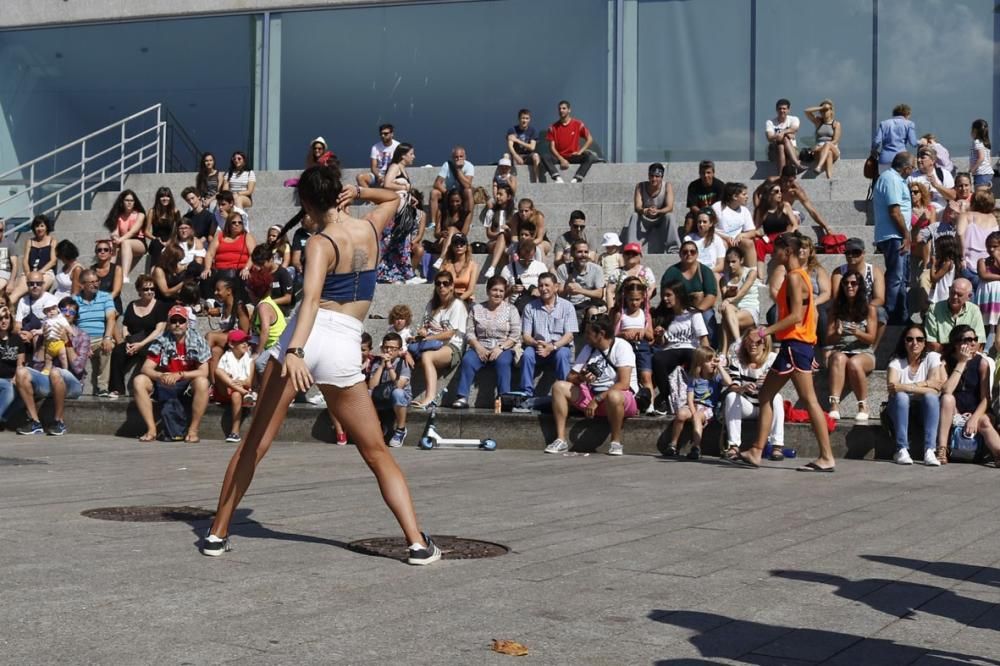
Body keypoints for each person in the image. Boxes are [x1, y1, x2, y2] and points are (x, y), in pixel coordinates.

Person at [205, 168, 440, 563]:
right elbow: (397, 197)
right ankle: (417, 542)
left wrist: (294, 352)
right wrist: (362, 190)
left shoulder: (318, 242)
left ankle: (216, 534)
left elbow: (311, 299)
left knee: (254, 445)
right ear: (340, 194)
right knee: (377, 452)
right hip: (345, 342)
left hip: (307, 337)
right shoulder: (369, 226)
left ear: (309, 204)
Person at [732, 232, 835, 472]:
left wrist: (765, 331)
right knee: (766, 395)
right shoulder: (800, 276)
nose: (771, 254)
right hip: (798, 345)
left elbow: (796, 316)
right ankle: (757, 450)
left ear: (787, 252)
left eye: (776, 250)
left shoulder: (794, 278)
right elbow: (811, 315)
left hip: (795, 345)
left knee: (810, 401)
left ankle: (827, 456)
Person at [544, 315, 638, 456]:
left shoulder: (622, 346)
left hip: (618, 399)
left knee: (613, 395)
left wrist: (598, 399)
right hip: (593, 396)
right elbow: (570, 377)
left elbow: (624, 383)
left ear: (601, 334)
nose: (585, 336)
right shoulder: (589, 348)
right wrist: (581, 377)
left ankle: (616, 442)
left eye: (589, 333)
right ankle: (561, 439)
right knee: (559, 387)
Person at [133, 305, 211, 443]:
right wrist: (160, 376)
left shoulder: (198, 340)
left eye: (181, 321)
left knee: (203, 382)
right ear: (168, 323)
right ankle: (151, 430)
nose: (177, 324)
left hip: (186, 383)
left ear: (187, 323)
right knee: (139, 380)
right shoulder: (161, 339)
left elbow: (204, 372)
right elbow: (146, 368)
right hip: (165, 382)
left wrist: (180, 375)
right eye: (173, 321)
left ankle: (193, 431)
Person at [13, 296, 87, 436]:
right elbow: (37, 364)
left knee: (55, 372)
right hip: (49, 379)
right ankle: (35, 421)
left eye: (71, 312)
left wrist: (67, 341)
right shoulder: (47, 328)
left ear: (75, 316)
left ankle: (59, 422)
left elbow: (78, 368)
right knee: (21, 371)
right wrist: (44, 341)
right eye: (63, 310)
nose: (67, 314)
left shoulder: (82, 336)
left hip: (72, 384)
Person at [449, 276, 520, 408]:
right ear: (488, 291)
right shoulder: (476, 309)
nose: (498, 294)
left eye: (501, 291)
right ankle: (462, 397)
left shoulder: (511, 310)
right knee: (468, 360)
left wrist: (501, 348)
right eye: (494, 290)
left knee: (503, 362)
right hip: (480, 346)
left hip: (503, 347)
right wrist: (478, 347)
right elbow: (469, 332)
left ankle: (504, 398)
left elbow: (515, 334)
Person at [935, 325, 1000, 465]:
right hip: (954, 411)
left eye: (975, 339)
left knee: (984, 422)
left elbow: (985, 399)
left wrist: (974, 418)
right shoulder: (946, 361)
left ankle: (998, 453)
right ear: (957, 343)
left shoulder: (982, 363)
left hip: (977, 410)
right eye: (968, 339)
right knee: (947, 399)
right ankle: (942, 449)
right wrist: (962, 362)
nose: (973, 343)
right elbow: (946, 390)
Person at [886, 325, 944, 466]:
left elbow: (936, 389)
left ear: (925, 342)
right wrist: (926, 384)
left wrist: (906, 386)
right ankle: (902, 449)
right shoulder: (896, 362)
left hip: (923, 409)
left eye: (919, 339)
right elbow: (893, 389)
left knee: (931, 398)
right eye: (910, 339)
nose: (915, 343)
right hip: (899, 408)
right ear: (904, 342)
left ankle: (930, 450)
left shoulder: (932, 357)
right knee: (901, 397)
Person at [408, 271, 467, 409]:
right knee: (404, 353)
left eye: (446, 283)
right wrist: (422, 333)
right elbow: (425, 327)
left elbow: (450, 333)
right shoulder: (431, 305)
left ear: (452, 286)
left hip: (452, 347)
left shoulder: (457, 305)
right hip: (431, 344)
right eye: (438, 283)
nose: (442, 287)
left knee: (426, 356)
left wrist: (429, 337)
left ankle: (430, 398)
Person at [825, 269, 877, 422]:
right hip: (842, 350)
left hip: (864, 351)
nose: (849, 286)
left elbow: (871, 339)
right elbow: (828, 339)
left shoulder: (869, 309)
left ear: (860, 286)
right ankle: (834, 405)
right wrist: (838, 333)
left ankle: (863, 405)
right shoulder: (835, 309)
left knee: (854, 363)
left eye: (854, 283)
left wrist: (857, 332)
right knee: (838, 358)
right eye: (846, 283)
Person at [649, 280, 709, 414]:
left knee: (692, 355)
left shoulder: (693, 314)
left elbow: (703, 339)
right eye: (664, 295)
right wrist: (660, 335)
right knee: (658, 359)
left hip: (690, 348)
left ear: (679, 295)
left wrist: (709, 356)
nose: (665, 299)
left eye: (669, 295)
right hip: (670, 349)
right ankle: (666, 398)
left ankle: (696, 396)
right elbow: (663, 344)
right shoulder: (664, 316)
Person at [723, 332, 783, 461]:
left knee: (777, 397)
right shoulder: (737, 360)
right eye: (749, 341)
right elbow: (732, 385)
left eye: (758, 342)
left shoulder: (773, 359)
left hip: (766, 406)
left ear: (765, 344)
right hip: (747, 405)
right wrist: (742, 388)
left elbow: (781, 382)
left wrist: (769, 381)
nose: (753, 345)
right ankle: (733, 445)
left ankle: (776, 446)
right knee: (731, 396)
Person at [108, 274, 168, 399]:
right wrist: (128, 341)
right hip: (133, 340)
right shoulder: (132, 305)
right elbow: (125, 326)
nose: (150, 291)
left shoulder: (160, 306)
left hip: (152, 341)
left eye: (152, 289)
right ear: (139, 291)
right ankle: (117, 388)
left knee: (149, 353)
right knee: (118, 352)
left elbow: (159, 330)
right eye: (146, 289)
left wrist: (141, 344)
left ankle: (154, 390)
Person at [873, 151, 914, 324]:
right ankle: (889, 315)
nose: (913, 170)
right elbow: (894, 211)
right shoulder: (892, 179)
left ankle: (901, 315)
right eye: (912, 167)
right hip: (894, 235)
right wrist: (906, 235)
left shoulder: (895, 179)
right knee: (896, 277)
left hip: (898, 235)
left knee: (902, 278)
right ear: (906, 168)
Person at [519, 272, 577, 396]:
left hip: (559, 347)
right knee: (527, 354)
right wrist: (536, 344)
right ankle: (526, 392)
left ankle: (566, 392)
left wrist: (552, 347)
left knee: (562, 354)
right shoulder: (530, 307)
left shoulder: (567, 307)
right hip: (537, 348)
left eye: (547, 285)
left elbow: (569, 335)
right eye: (540, 286)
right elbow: (526, 335)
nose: (543, 289)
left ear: (556, 287)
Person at [666, 346, 729, 460]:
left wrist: (720, 366)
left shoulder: (716, 378)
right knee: (681, 414)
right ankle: (673, 445)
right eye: (709, 361)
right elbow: (690, 398)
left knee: (697, 417)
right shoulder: (694, 378)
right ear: (700, 363)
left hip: (708, 408)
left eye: (713, 360)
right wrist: (693, 410)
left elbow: (729, 382)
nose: (712, 363)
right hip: (694, 405)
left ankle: (696, 447)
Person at [830, 238, 887, 351]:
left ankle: (872, 348)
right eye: (848, 252)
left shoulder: (874, 271)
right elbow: (836, 297)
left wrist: (865, 307)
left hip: (866, 307)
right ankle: (831, 346)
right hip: (845, 306)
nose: (851, 256)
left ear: (863, 253)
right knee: (827, 310)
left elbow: (880, 298)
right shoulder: (839, 272)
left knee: (881, 312)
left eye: (856, 252)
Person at [659, 240, 718, 342]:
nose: (689, 254)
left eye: (692, 251)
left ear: (697, 254)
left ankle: (711, 348)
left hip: (700, 308)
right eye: (685, 252)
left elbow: (711, 295)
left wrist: (696, 311)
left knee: (707, 316)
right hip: (677, 308)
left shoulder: (705, 271)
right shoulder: (672, 272)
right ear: (680, 254)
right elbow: (665, 293)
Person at [612, 277, 655, 414]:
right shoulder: (621, 314)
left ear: (643, 298)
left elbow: (651, 335)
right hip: (624, 347)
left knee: (646, 376)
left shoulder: (645, 314)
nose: (634, 303)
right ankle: (632, 404)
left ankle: (650, 405)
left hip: (642, 346)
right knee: (629, 377)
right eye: (631, 299)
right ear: (625, 298)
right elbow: (612, 335)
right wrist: (624, 334)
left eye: (637, 299)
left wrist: (642, 331)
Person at [73, 269, 116, 397]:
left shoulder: (105, 297)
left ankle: (102, 387)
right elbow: (71, 324)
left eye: (97, 281)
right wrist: (83, 343)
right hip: (81, 339)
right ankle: (75, 384)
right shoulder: (74, 300)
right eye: (91, 282)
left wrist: (107, 337)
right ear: (82, 284)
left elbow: (111, 317)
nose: (96, 284)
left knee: (109, 347)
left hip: (99, 338)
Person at [368, 332, 412, 447]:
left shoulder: (403, 363)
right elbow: (372, 386)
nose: (389, 351)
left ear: (399, 350)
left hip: (400, 398)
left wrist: (390, 367)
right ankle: (376, 427)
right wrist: (382, 366)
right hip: (383, 395)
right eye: (386, 347)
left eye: (393, 348)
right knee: (366, 394)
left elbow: (399, 386)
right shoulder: (378, 363)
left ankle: (401, 430)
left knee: (398, 393)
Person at [624, 162, 678, 254]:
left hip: (661, 219)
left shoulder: (667, 186)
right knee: (634, 215)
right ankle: (632, 248)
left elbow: (670, 207)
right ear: (648, 176)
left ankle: (674, 249)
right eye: (651, 176)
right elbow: (637, 207)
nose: (654, 179)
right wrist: (645, 210)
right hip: (645, 218)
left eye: (657, 176)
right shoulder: (640, 186)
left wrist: (658, 211)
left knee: (670, 216)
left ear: (661, 177)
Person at [205, 277, 251, 383]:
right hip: (227, 341)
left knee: (210, 336)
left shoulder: (239, 306)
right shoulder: (225, 306)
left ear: (229, 291)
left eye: (218, 290)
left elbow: (245, 332)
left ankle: (200, 363)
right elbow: (219, 312)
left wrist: (226, 334)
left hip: (238, 341)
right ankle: (213, 384)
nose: (215, 292)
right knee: (215, 351)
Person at [215, 329, 255, 444]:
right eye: (241, 341)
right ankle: (245, 394)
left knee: (236, 394)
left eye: (246, 341)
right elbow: (220, 373)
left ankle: (235, 432)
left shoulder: (249, 360)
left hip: (237, 391)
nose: (245, 344)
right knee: (218, 371)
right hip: (225, 390)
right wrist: (230, 378)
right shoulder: (226, 357)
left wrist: (241, 383)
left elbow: (249, 382)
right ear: (232, 344)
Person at [540, 100, 595, 184]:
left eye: (564, 108)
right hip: (559, 157)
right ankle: (557, 178)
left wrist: (580, 152)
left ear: (569, 110)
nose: (561, 110)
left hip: (573, 156)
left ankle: (577, 179)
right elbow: (552, 147)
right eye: (560, 109)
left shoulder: (578, 124)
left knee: (590, 156)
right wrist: (561, 159)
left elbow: (590, 139)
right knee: (544, 156)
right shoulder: (553, 127)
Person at [925, 278, 986, 353]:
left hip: (967, 354)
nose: (954, 297)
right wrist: (953, 354)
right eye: (952, 292)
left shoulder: (974, 310)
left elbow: (979, 341)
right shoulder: (934, 309)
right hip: (941, 353)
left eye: (959, 295)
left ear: (969, 296)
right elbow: (931, 342)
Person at [718, 247, 759, 358]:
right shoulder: (723, 279)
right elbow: (724, 299)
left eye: (733, 261)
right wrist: (728, 295)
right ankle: (737, 342)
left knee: (726, 318)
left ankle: (724, 353)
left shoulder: (751, 273)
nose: (730, 265)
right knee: (728, 310)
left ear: (741, 260)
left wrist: (729, 299)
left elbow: (742, 292)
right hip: (733, 311)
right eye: (728, 262)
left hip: (749, 309)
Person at [202, 213, 257, 296]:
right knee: (206, 275)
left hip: (239, 271)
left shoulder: (247, 236)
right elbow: (209, 254)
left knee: (245, 276)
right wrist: (207, 268)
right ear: (228, 224)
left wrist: (246, 268)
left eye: (240, 222)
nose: (237, 224)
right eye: (234, 222)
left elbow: (253, 255)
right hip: (220, 271)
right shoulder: (220, 236)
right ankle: (210, 301)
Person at [750, 183, 798, 278]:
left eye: (780, 191)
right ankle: (761, 277)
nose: (780, 194)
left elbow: (795, 225)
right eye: (776, 192)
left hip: (784, 237)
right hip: (770, 239)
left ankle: (791, 273)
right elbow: (756, 228)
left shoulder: (785, 206)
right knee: (759, 243)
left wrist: (789, 234)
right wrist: (761, 236)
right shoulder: (761, 210)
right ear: (769, 194)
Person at [956, 188, 999, 289]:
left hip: (969, 264)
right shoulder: (994, 218)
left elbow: (959, 234)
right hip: (989, 268)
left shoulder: (966, 216)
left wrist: (961, 257)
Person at [247, 268, 286, 376]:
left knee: (258, 363)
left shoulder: (263, 306)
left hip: (278, 345)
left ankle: (264, 389)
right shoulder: (265, 301)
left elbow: (265, 331)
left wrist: (257, 353)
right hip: (270, 344)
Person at [557, 240, 606, 325]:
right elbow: (560, 295)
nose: (583, 255)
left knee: (593, 312)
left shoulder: (596, 269)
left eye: (586, 252)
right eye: (579, 252)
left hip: (589, 304)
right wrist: (567, 286)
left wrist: (580, 290)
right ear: (572, 253)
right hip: (569, 304)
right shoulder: (563, 269)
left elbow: (600, 294)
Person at [711, 182, 757, 269]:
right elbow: (709, 228)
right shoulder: (717, 207)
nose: (747, 197)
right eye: (744, 194)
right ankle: (723, 274)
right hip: (720, 238)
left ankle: (751, 273)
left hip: (736, 241)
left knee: (749, 243)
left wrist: (742, 235)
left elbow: (752, 232)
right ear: (735, 197)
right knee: (722, 244)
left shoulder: (744, 211)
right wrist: (726, 238)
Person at [103, 189, 146, 280]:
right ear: (122, 202)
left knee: (126, 243)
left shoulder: (140, 215)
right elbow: (115, 232)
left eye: (131, 201)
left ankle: (124, 276)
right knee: (110, 245)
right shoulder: (118, 216)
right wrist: (114, 238)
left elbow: (133, 232)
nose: (129, 203)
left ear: (135, 202)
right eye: (127, 200)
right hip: (122, 242)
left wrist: (120, 240)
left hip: (139, 242)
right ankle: (108, 274)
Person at [429, 146, 474, 229]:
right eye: (456, 157)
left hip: (461, 193)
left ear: (465, 157)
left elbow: (467, 185)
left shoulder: (469, 166)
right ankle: (433, 222)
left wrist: (458, 170)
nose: (458, 159)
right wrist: (447, 193)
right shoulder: (447, 165)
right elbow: (437, 183)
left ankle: (469, 222)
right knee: (434, 193)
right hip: (449, 192)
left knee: (469, 191)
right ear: (453, 158)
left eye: (461, 156)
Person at [606, 242, 656, 311]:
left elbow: (652, 288)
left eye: (634, 253)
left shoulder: (647, 271)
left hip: (642, 310)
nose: (631, 255)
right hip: (620, 310)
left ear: (640, 256)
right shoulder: (617, 272)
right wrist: (611, 310)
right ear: (623, 255)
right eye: (627, 253)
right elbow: (610, 292)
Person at [499, 237, 547, 310]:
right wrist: (511, 290)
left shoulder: (541, 267)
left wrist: (539, 291)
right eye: (523, 259)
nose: (526, 262)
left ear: (534, 253)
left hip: (537, 306)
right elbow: (499, 295)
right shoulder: (507, 269)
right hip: (517, 308)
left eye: (530, 259)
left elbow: (551, 290)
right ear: (518, 253)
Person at [482, 183, 517, 278]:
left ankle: (503, 277)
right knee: (502, 238)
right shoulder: (491, 212)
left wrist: (508, 231)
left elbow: (515, 235)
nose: (497, 197)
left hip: (509, 242)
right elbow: (489, 234)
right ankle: (492, 268)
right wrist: (500, 233)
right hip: (493, 242)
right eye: (497, 194)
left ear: (509, 196)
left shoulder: (515, 213)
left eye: (500, 194)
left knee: (505, 249)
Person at [872, 103, 918, 173]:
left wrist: (873, 150)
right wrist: (922, 142)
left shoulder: (884, 123)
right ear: (907, 114)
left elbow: (877, 141)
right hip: (901, 158)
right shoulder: (909, 124)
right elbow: (913, 143)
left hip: (885, 159)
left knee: (884, 180)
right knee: (900, 182)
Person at [144, 187, 182, 271]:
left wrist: (169, 241)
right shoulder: (152, 212)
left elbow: (178, 230)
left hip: (170, 240)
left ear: (170, 198)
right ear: (158, 198)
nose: (165, 199)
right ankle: (154, 272)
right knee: (157, 245)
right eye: (162, 196)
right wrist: (155, 238)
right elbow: (146, 231)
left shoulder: (175, 212)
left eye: (167, 196)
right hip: (156, 240)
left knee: (172, 249)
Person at [907, 147, 954, 214]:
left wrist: (937, 186)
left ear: (932, 160)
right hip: (922, 214)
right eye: (918, 157)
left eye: (923, 157)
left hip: (942, 213)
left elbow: (952, 196)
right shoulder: (911, 177)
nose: (919, 160)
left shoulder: (943, 174)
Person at [19, 215, 57, 296]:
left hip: (46, 272)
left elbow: (53, 261)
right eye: (37, 226)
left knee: (35, 292)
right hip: (30, 272)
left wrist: (40, 272)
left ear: (46, 227)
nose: (39, 229)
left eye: (42, 226)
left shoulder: (53, 241)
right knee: (17, 292)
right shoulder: (29, 241)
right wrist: (28, 273)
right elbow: (25, 260)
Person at [250, 245, 294, 315]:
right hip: (262, 306)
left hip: (279, 308)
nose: (259, 267)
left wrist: (267, 303)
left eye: (261, 264)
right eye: (257, 264)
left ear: (270, 259)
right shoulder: (259, 273)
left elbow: (288, 298)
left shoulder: (282, 273)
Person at [975, 232, 1000, 351]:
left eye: (995, 246)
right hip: (986, 297)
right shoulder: (982, 261)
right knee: (983, 324)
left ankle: (992, 350)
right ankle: (981, 348)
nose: (991, 249)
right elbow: (983, 275)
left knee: (996, 324)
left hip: (997, 298)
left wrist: (997, 257)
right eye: (989, 246)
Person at [803, 99, 841, 178]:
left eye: (826, 110)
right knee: (828, 153)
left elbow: (835, 140)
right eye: (822, 111)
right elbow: (806, 111)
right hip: (821, 151)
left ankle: (819, 167)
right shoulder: (818, 122)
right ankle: (829, 178)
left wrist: (821, 147)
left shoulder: (836, 124)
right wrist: (821, 108)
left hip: (832, 148)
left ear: (831, 111)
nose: (824, 112)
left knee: (828, 144)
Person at [683, 208, 726, 276]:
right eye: (699, 222)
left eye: (704, 222)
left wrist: (707, 273)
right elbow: (685, 262)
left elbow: (721, 265)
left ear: (711, 223)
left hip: (712, 272)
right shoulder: (688, 239)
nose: (701, 224)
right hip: (694, 272)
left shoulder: (717, 240)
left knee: (716, 276)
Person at [765, 98, 803, 172]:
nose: (782, 111)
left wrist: (781, 133)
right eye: (779, 108)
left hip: (793, 149)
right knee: (782, 143)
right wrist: (786, 134)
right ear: (776, 110)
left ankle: (781, 176)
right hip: (774, 151)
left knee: (782, 145)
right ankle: (796, 164)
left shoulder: (794, 119)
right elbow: (769, 137)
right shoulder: (770, 122)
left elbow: (794, 129)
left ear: (788, 110)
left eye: (784, 109)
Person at [439, 233, 478, 303]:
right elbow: (439, 285)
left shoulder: (473, 265)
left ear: (466, 247)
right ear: (452, 247)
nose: (459, 246)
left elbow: (470, 290)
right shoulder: (445, 265)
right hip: (448, 298)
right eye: (455, 243)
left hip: (466, 299)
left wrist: (456, 301)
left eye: (462, 243)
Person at [0, 305, 21, 425]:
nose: (3, 321)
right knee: (8, 388)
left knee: (24, 393)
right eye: (0, 318)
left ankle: (3, 419)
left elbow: (20, 364)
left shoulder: (16, 339)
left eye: (6, 317)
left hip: (10, 379)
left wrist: (15, 378)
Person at [506, 109, 541, 182]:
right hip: (516, 155)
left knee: (536, 156)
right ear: (519, 119)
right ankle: (507, 180)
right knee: (506, 156)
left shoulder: (532, 130)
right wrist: (516, 156)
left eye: (527, 118)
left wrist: (518, 140)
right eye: (523, 118)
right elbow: (510, 146)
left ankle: (537, 180)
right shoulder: (512, 130)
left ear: (529, 120)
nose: (524, 120)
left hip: (528, 156)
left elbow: (532, 147)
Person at [91, 239, 124, 313]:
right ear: (96, 253)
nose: (102, 252)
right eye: (99, 250)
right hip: (95, 303)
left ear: (110, 253)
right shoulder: (92, 269)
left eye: (106, 250)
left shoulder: (117, 269)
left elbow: (116, 291)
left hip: (112, 303)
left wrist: (101, 303)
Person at [39, 301, 69, 375]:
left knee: (63, 357)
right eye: (48, 311)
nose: (51, 312)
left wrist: (70, 334)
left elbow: (66, 327)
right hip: (49, 344)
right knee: (48, 359)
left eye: (53, 309)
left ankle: (65, 370)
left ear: (57, 310)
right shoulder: (45, 320)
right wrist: (37, 331)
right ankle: (46, 370)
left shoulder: (60, 319)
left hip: (59, 343)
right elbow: (42, 330)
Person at [969, 119, 994, 188]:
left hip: (981, 173)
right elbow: (989, 160)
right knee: (985, 195)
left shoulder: (977, 142)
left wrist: (972, 170)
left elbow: (981, 157)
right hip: (987, 172)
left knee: (980, 195)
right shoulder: (986, 143)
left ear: (975, 130)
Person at [0, 220, 21, 300]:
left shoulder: (9, 244)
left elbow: (15, 265)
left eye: (1, 230)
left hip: (4, 273)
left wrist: (11, 282)